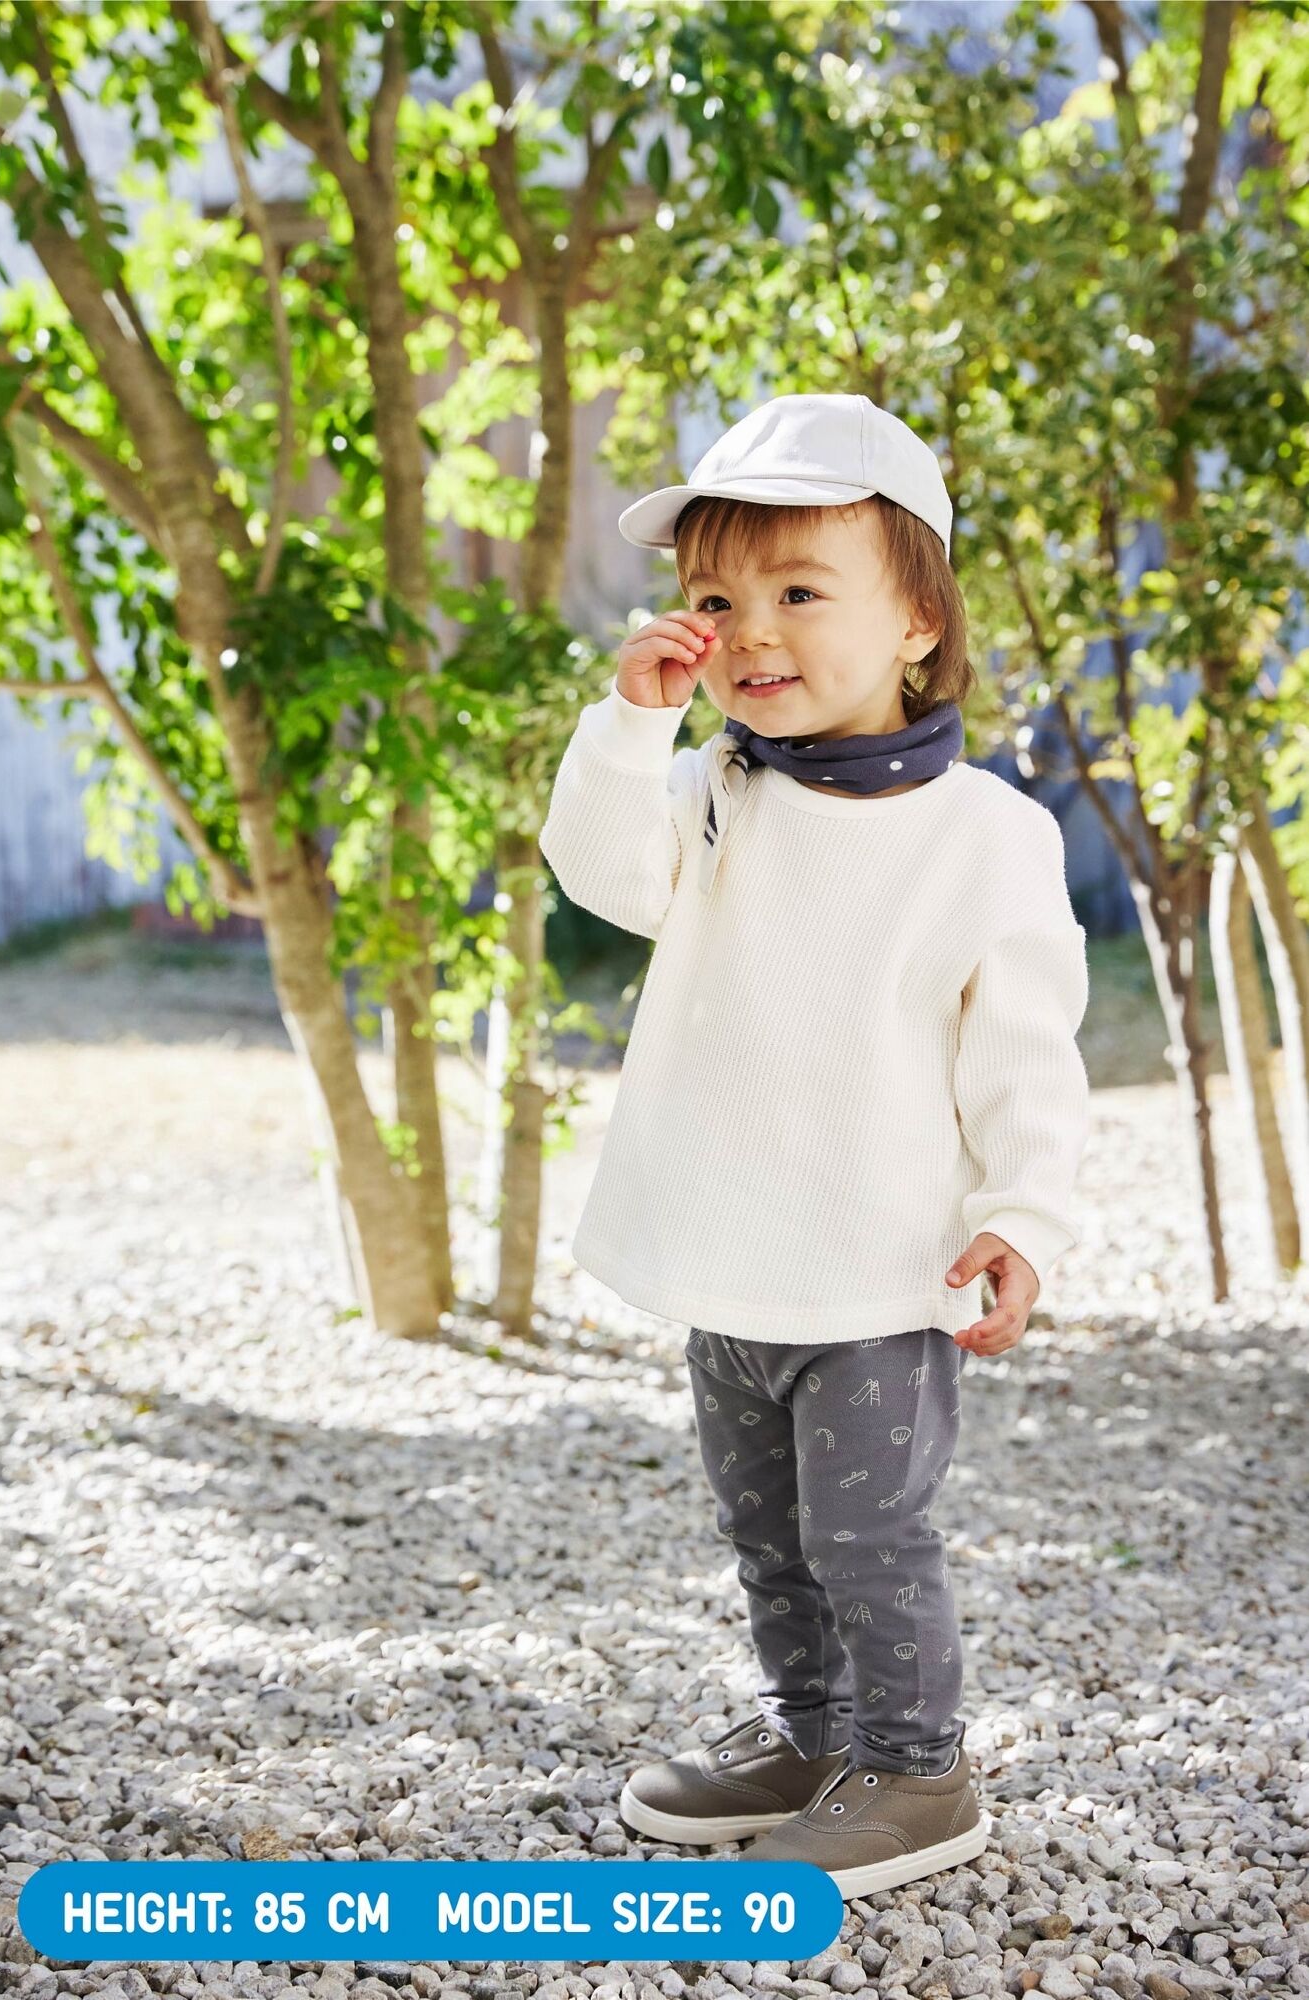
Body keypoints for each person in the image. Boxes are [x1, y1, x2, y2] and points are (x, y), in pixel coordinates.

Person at [536, 393, 1091, 1897]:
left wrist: (1024, 1222)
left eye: (799, 592)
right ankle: (811, 1732)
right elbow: (597, 874)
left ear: (917, 619)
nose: (752, 631)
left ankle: (916, 1768)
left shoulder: (984, 835)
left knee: (868, 1538)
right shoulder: (718, 790)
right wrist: (634, 715)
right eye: (718, 598)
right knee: (766, 1535)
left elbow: (1027, 1057)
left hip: (875, 1276)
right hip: (735, 1259)